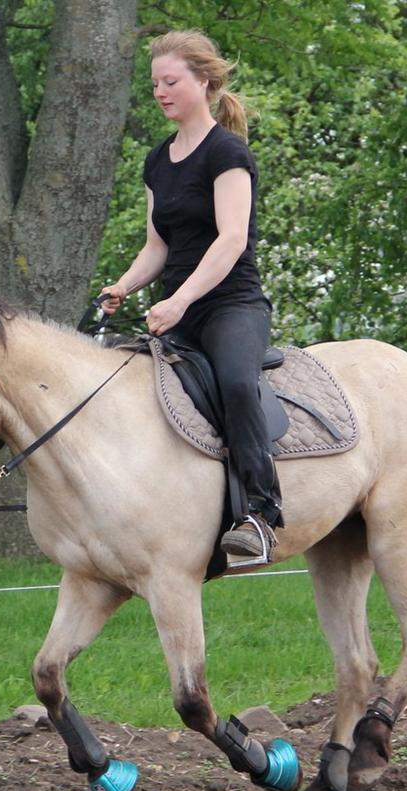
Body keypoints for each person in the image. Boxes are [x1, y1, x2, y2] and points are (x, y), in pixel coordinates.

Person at [100, 29, 282, 562]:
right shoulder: (158, 160)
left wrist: (180, 300)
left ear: (204, 82)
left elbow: (231, 239)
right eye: (155, 83)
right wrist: (125, 284)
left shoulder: (228, 153)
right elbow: (157, 244)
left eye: (171, 81)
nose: (160, 91)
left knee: (235, 383)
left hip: (231, 305)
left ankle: (260, 515)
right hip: (170, 310)